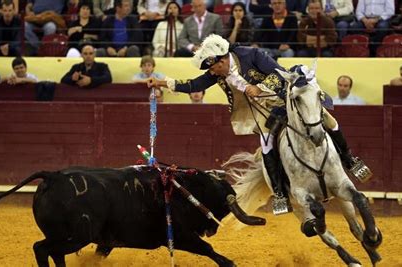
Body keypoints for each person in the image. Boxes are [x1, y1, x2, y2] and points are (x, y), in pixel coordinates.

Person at [147, 34, 371, 214]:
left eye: (214, 68)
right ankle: (280, 194)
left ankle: (349, 159)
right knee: (266, 145)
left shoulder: (251, 54)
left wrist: (260, 87)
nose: (212, 72)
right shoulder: (218, 73)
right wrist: (163, 82)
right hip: (265, 113)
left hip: (285, 99)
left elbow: (278, 72)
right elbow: (195, 84)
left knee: (329, 121)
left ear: (222, 60)